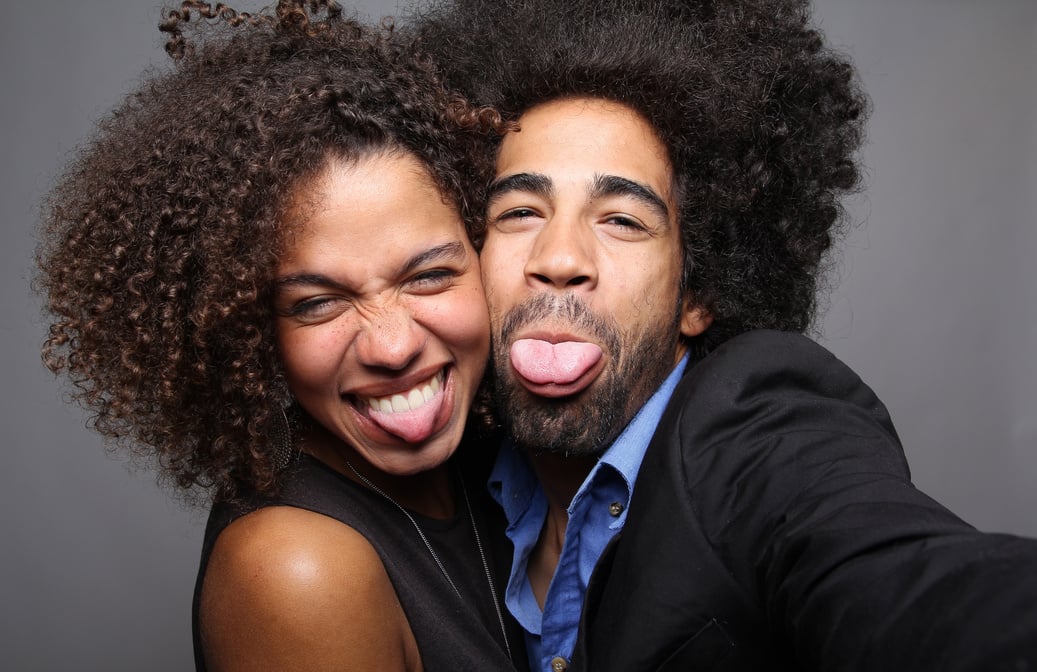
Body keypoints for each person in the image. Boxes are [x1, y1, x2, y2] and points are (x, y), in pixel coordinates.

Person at [413, 0, 1037, 670]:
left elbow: (916, 586)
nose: (558, 257)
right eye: (519, 210)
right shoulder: (447, 455)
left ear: (698, 295)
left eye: (621, 219)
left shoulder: (755, 429)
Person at [35, 1, 526, 670]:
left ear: (485, 255)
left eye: (428, 277)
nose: (391, 347)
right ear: (249, 329)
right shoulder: (297, 569)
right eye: (319, 303)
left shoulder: (508, 464)